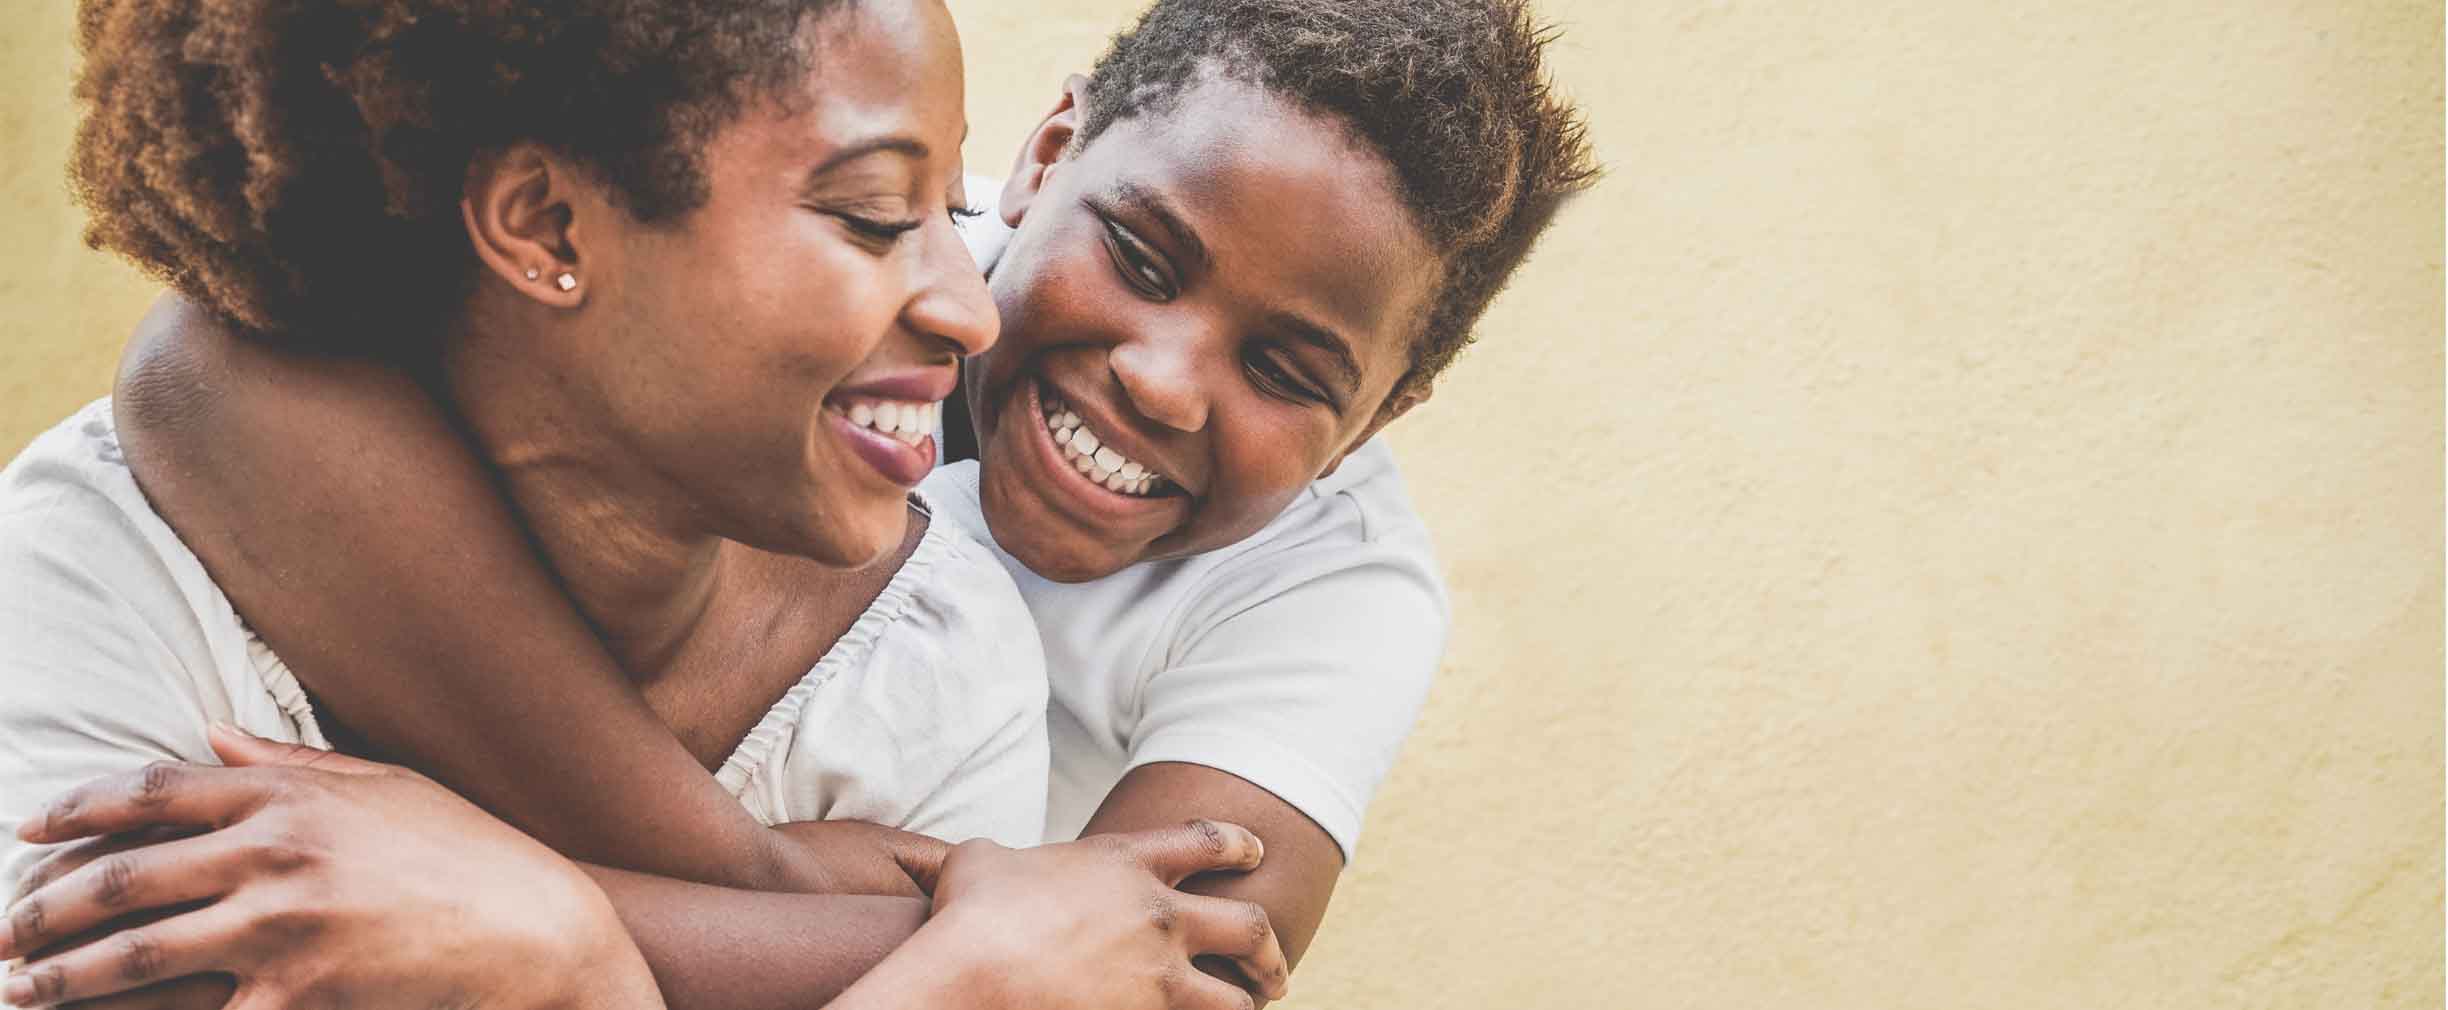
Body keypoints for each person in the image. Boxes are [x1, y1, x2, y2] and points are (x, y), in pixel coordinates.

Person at [23, 0, 1598, 1001]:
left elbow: (1142, 967)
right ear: (1044, 161)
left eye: (1292, 367)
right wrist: (763, 885)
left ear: (1392, 407)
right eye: (1139, 259)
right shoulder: (840, 220)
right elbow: (201, 380)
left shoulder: (1297, 600)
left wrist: (557, 932)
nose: (1167, 382)